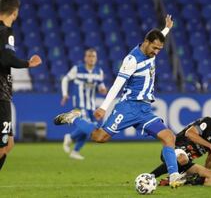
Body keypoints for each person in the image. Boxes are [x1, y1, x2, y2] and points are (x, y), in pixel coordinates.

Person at [53, 15, 186, 188]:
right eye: (155, 48)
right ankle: (73, 118)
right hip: (128, 107)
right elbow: (117, 85)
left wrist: (166, 28)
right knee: (100, 137)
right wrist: (103, 107)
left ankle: (174, 176)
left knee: (169, 137)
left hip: (144, 110)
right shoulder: (131, 60)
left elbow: (158, 36)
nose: (156, 52)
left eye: (160, 49)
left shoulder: (152, 48)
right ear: (146, 42)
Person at [0, 0, 42, 170]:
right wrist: (28, 63)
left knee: (8, 143)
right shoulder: (6, 31)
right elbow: (6, 59)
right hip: (0, 95)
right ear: (15, 13)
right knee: (3, 145)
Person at [150, 108, 211, 186]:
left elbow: (209, 160)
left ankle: (179, 181)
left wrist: (203, 175)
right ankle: (150, 177)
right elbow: (189, 133)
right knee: (183, 158)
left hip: (185, 164)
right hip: (172, 151)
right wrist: (210, 146)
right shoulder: (208, 122)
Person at [60, 48, 107, 160]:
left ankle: (74, 150)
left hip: (91, 106)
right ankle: (70, 138)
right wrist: (65, 94)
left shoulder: (99, 71)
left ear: (96, 58)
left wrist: (103, 90)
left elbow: (101, 87)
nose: (91, 58)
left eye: (93, 56)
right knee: (92, 127)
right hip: (80, 105)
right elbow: (65, 79)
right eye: (89, 56)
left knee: (91, 130)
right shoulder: (77, 69)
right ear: (85, 58)